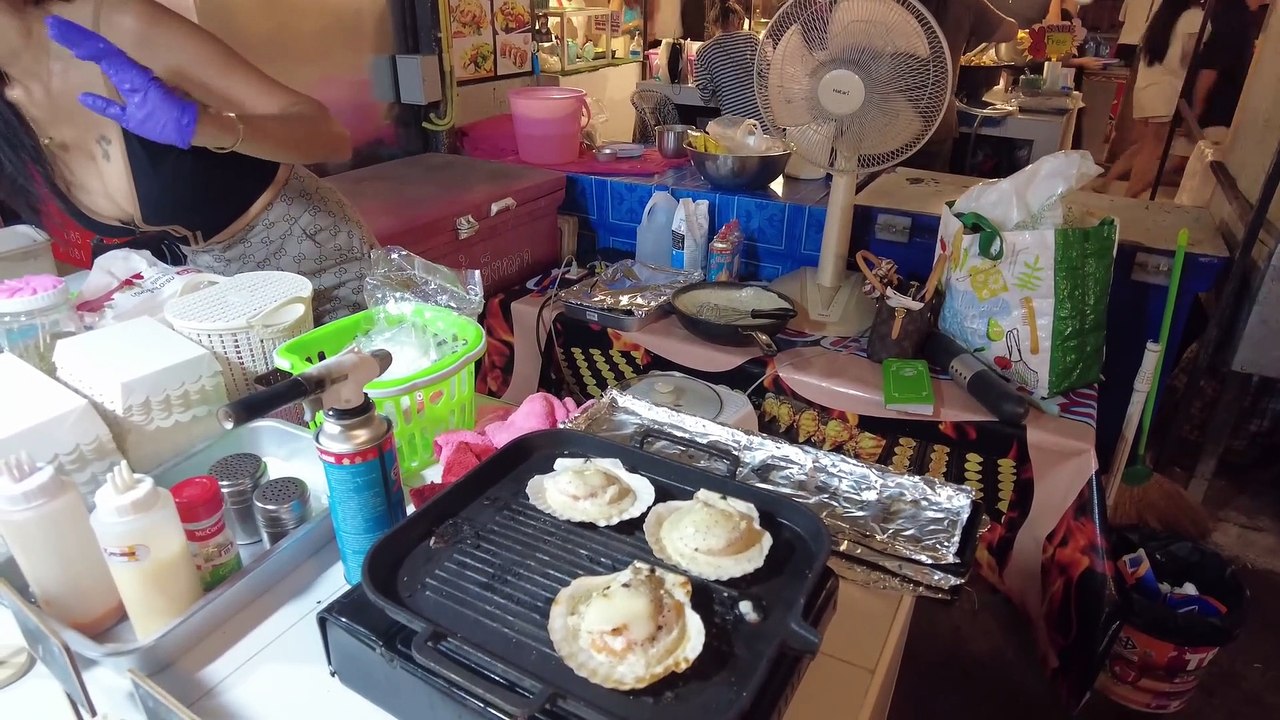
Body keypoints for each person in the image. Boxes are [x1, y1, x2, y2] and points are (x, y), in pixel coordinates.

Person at [0, 0, 373, 323]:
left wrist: (206, 126)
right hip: (217, 294)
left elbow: (330, 137)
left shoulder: (120, 23)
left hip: (317, 262)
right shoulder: (9, 114)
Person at [1101, 0, 1205, 198]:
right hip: (1167, 90)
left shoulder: (1161, 16)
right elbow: (1189, 59)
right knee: (1153, 148)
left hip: (1146, 86)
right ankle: (1130, 194)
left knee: (1145, 144)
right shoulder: (1193, 17)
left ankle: (1108, 180)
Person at [902, 0, 1018, 172]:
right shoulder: (963, 4)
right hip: (933, 125)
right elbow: (1009, 30)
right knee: (924, 193)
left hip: (867, 124)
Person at [694, 1, 766, 127]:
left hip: (736, 129)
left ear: (713, 24)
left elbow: (705, 97)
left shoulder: (703, 51)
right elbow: (766, 76)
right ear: (738, 21)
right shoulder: (752, 39)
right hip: (764, 123)